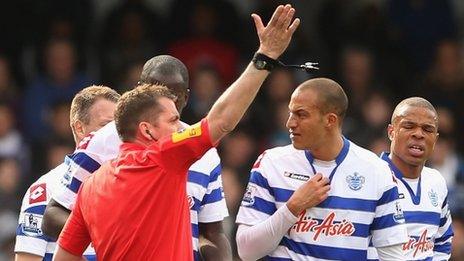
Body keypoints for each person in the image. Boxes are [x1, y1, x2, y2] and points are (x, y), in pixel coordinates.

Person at [50, 4, 300, 260]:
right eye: (172, 120)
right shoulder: (164, 158)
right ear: (146, 130)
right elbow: (222, 120)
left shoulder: (91, 186)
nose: (180, 129)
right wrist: (264, 57)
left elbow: (63, 256)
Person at [235, 78, 409, 260]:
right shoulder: (271, 162)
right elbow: (247, 251)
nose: (290, 123)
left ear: (330, 120)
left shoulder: (377, 171)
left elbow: (393, 256)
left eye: (301, 115)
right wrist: (292, 208)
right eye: (290, 113)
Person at [14, 85, 120, 261]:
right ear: (79, 129)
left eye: (118, 128)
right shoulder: (46, 189)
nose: (114, 135)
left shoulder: (129, 184)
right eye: (106, 125)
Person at [367, 97, 453, 260]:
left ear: (435, 138)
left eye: (427, 129)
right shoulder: (370, 178)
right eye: (409, 126)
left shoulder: (437, 181)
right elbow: (354, 243)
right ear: (391, 132)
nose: (418, 134)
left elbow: (443, 241)